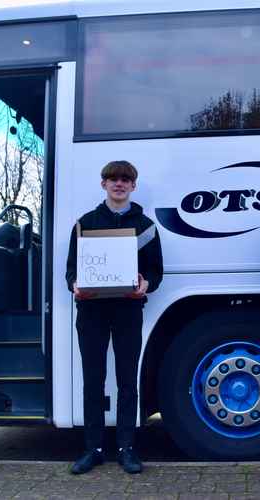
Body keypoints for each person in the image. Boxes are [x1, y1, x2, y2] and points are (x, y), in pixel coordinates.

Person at [65, 160, 163, 475]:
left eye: (125, 179)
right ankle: (92, 449)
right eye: (112, 179)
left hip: (128, 310)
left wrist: (146, 283)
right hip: (91, 311)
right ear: (103, 184)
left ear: (133, 186)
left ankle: (126, 448)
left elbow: (155, 271)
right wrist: (75, 285)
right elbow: (70, 270)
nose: (118, 184)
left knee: (126, 382)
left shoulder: (146, 226)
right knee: (93, 381)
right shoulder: (85, 223)